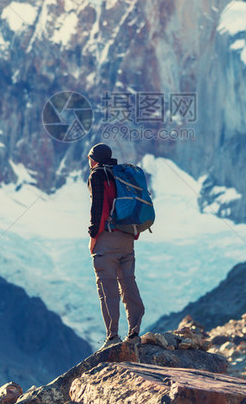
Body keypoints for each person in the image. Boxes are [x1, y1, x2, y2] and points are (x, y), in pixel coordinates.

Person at [87, 143, 145, 349]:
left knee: (107, 287)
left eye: (89, 158)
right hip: (128, 236)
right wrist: (134, 231)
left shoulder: (97, 175)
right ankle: (135, 332)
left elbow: (99, 209)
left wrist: (93, 236)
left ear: (94, 159)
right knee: (129, 282)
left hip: (107, 238)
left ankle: (112, 337)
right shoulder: (122, 175)